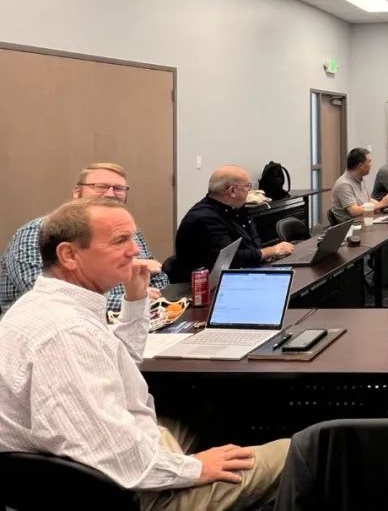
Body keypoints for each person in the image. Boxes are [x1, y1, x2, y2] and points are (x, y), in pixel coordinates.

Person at [0, 197, 290, 509]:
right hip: (127, 495)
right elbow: (115, 454)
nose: (135, 250)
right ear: (69, 255)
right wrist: (195, 468)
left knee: (202, 413)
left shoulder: (49, 306)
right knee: (300, 452)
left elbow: (115, 363)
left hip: (96, 472)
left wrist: (135, 300)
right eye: (120, 240)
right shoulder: (65, 332)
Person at [0, 162, 169, 312]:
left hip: (130, 321)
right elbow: (40, 293)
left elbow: (155, 274)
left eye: (118, 188)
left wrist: (154, 299)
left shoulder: (127, 230)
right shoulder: (39, 232)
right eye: (100, 187)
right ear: (77, 192)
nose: (111, 194)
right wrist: (132, 300)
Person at [173, 166, 294, 282]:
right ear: (232, 191)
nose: (249, 191)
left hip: (239, 275)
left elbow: (254, 244)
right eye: (247, 186)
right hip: (204, 288)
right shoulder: (204, 218)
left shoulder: (236, 210)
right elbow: (231, 258)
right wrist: (273, 250)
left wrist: (265, 255)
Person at [329, 148, 388, 223]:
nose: (371, 165)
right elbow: (354, 211)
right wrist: (381, 204)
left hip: (364, 221)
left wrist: (384, 204)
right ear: (361, 165)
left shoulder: (360, 180)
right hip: (352, 226)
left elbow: (368, 200)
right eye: (369, 162)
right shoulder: (344, 184)